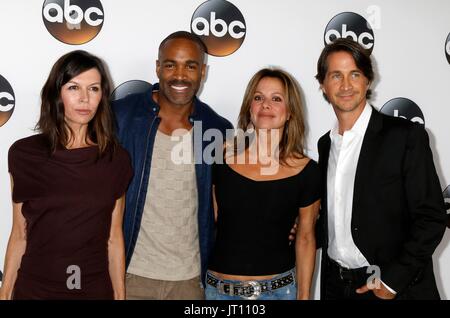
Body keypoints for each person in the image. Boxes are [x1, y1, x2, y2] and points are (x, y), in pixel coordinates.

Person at [315, 38, 447, 300]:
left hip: (392, 288)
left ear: (368, 80)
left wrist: (391, 282)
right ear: (323, 84)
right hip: (337, 287)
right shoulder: (325, 145)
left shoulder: (405, 136)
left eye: (354, 74)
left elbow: (431, 217)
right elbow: (338, 221)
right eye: (335, 76)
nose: (345, 85)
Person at [0, 50, 132, 300]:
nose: (85, 99)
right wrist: (5, 293)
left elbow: (114, 238)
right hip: (34, 290)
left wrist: (120, 296)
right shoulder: (24, 154)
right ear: (56, 93)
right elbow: (19, 233)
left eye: (93, 89)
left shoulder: (116, 159)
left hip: (93, 289)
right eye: (74, 87)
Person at [112, 31, 232, 300]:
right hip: (130, 276)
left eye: (190, 66)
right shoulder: (120, 117)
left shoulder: (216, 129)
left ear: (203, 71)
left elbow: (228, 199)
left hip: (188, 282)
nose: (180, 75)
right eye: (170, 65)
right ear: (157, 68)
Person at [205, 68, 321, 300]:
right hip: (217, 292)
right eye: (258, 98)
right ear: (250, 108)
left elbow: (306, 238)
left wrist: (304, 296)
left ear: (290, 113)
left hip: (278, 292)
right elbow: (209, 221)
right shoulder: (221, 158)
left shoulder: (307, 171)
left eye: (276, 99)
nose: (265, 105)